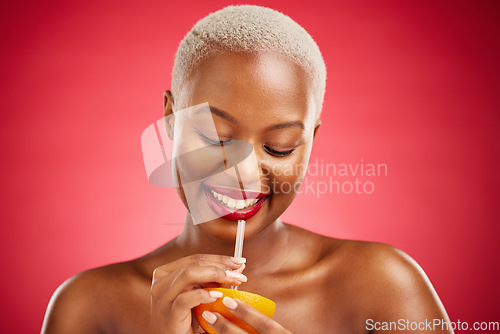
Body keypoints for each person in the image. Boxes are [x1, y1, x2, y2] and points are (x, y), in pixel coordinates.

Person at [42, 5, 452, 334]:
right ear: (170, 121)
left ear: (310, 143)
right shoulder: (88, 307)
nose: (245, 173)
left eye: (279, 147)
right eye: (217, 138)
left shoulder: (382, 288)